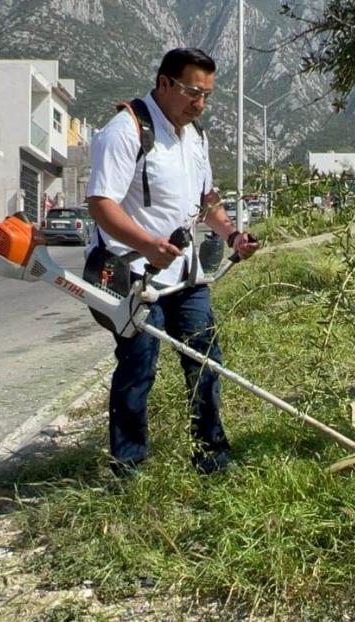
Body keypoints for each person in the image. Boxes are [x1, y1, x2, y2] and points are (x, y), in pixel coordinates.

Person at [86, 48, 259, 476]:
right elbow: (101, 204)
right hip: (134, 273)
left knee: (206, 362)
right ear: (164, 83)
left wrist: (233, 235)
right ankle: (128, 469)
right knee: (139, 366)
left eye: (206, 95)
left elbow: (207, 200)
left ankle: (212, 459)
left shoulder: (195, 136)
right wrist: (146, 243)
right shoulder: (125, 130)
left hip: (185, 275)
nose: (199, 103)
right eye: (192, 92)